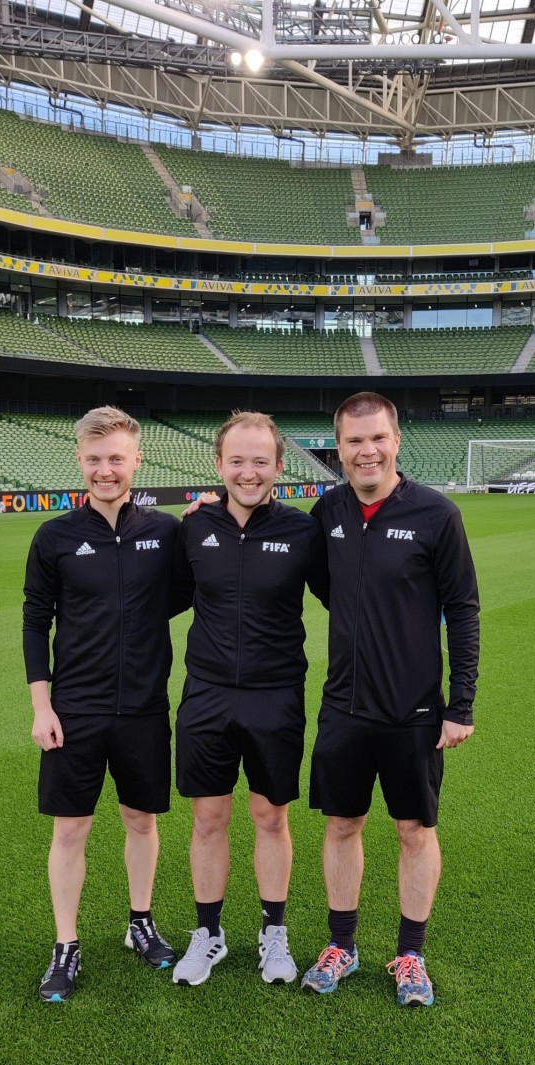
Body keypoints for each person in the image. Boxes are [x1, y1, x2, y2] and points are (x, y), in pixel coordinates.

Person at [300, 391, 479, 1006]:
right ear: (339, 447)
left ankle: (410, 954)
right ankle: (341, 945)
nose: (366, 450)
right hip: (344, 708)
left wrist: (461, 704)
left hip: (414, 712)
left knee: (414, 830)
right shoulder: (328, 512)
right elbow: (326, 584)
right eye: (354, 441)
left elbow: (462, 609)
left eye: (377, 438)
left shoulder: (436, 514)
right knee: (342, 824)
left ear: (396, 440)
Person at [23, 406, 185, 1002]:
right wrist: (43, 706)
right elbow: (35, 621)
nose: (105, 469)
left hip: (143, 707)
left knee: (141, 820)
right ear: (80, 462)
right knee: (72, 829)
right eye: (94, 459)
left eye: (116, 458)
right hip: (76, 709)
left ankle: (139, 922)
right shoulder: (56, 537)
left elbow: (188, 590)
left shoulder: (166, 532)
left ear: (136, 459)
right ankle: (66, 945)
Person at [171, 411, 329, 987]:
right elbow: (157, 599)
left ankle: (274, 934)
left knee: (270, 816)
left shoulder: (302, 532)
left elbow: (350, 598)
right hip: (206, 695)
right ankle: (208, 935)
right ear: (219, 465)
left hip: (275, 697)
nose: (248, 471)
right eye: (237, 460)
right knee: (209, 819)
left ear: (279, 467)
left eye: (260, 460)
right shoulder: (192, 527)